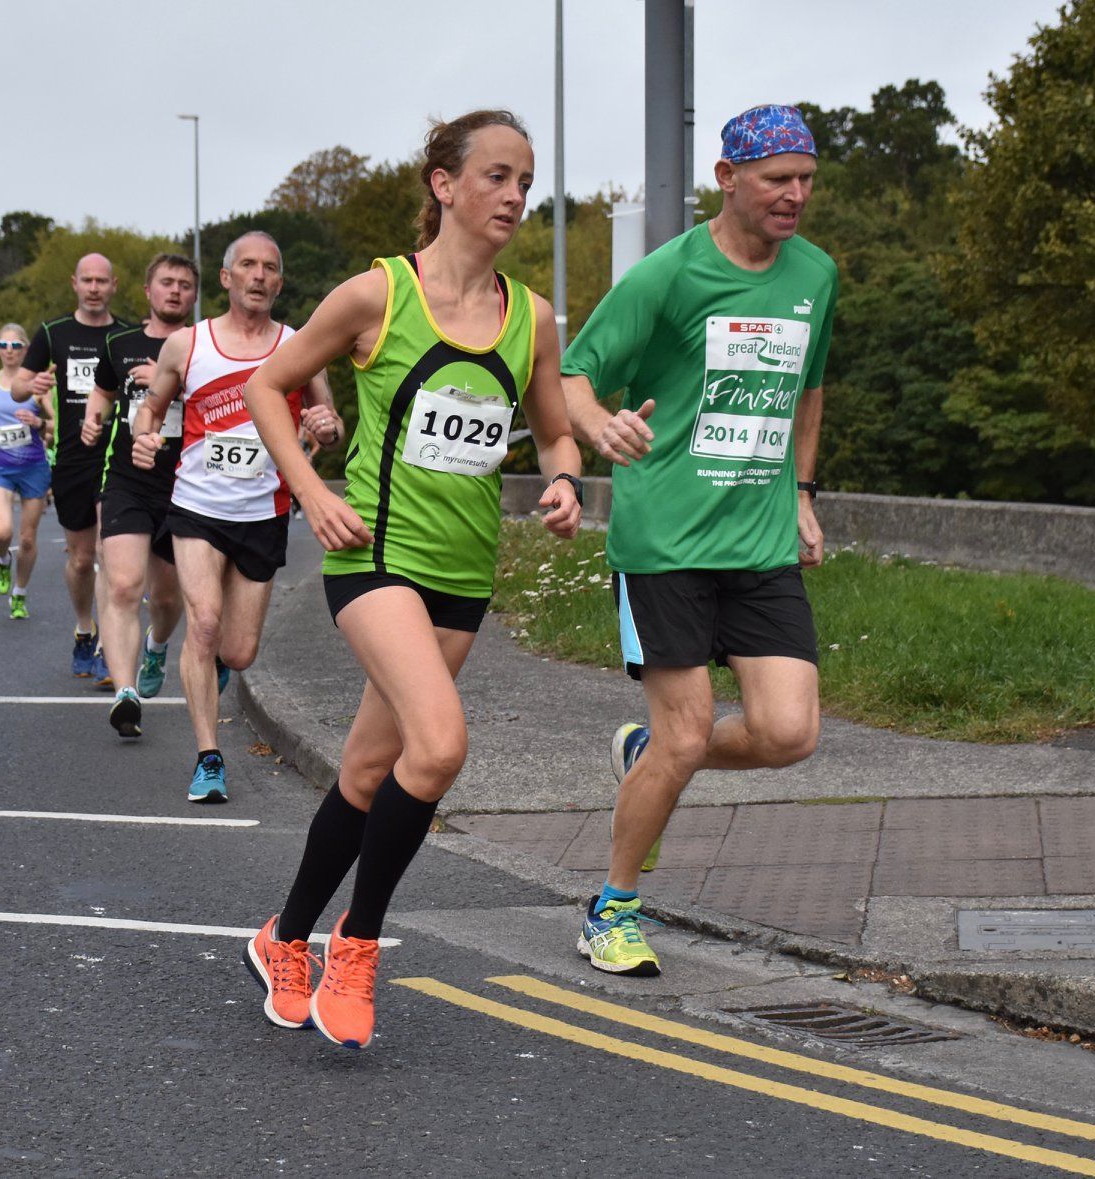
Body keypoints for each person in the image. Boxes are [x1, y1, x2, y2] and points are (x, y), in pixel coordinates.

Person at [239, 110, 583, 1049]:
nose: (515, 195)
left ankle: (284, 936)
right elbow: (267, 386)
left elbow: (553, 428)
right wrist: (308, 489)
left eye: (526, 180)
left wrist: (560, 478)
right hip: (375, 556)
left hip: (464, 573)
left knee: (363, 770)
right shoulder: (376, 294)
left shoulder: (531, 317)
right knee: (436, 748)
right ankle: (358, 945)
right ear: (443, 184)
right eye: (497, 176)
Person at [559, 104, 834, 977]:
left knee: (788, 733)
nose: (794, 196)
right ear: (726, 178)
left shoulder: (815, 274)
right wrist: (601, 427)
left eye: (805, 181)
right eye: (776, 180)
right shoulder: (667, 276)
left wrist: (800, 492)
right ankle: (611, 907)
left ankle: (646, 759)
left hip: (757, 541)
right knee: (686, 733)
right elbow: (572, 376)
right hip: (664, 542)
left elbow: (807, 387)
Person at [135, 231, 342, 789]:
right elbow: (150, 409)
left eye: (269, 267)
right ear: (226, 278)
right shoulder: (186, 344)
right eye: (247, 265)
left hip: (263, 510)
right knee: (202, 623)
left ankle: (203, 667)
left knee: (240, 651)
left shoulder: (300, 344)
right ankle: (208, 758)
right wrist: (144, 437)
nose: (258, 275)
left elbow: (328, 416)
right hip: (196, 505)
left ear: (279, 281)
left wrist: (324, 424)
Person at [87, 253, 199, 738]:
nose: (175, 291)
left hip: (186, 481)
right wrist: (93, 419)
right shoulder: (119, 342)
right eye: (166, 283)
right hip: (129, 478)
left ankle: (157, 645)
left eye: (184, 285)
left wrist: (168, 380)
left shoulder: (203, 345)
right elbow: (103, 393)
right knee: (124, 586)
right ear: (148, 291)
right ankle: (125, 692)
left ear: (195, 295)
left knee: (169, 598)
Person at [15, 254, 132, 680]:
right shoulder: (52, 332)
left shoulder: (127, 335)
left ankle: (108, 649)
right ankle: (85, 628)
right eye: (88, 280)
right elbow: (16, 387)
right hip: (70, 459)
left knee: (109, 555)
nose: (95, 287)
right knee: (82, 559)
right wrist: (32, 384)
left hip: (116, 457)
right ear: (75, 283)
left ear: (114, 284)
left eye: (103, 280)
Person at [0, 322, 49, 620]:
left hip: (33, 467)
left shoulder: (36, 387)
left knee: (27, 539)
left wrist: (40, 423)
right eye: (3, 345)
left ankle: (19, 593)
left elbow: (55, 426)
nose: (9, 351)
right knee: (2, 531)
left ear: (26, 350)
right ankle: (3, 559)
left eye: (16, 346)